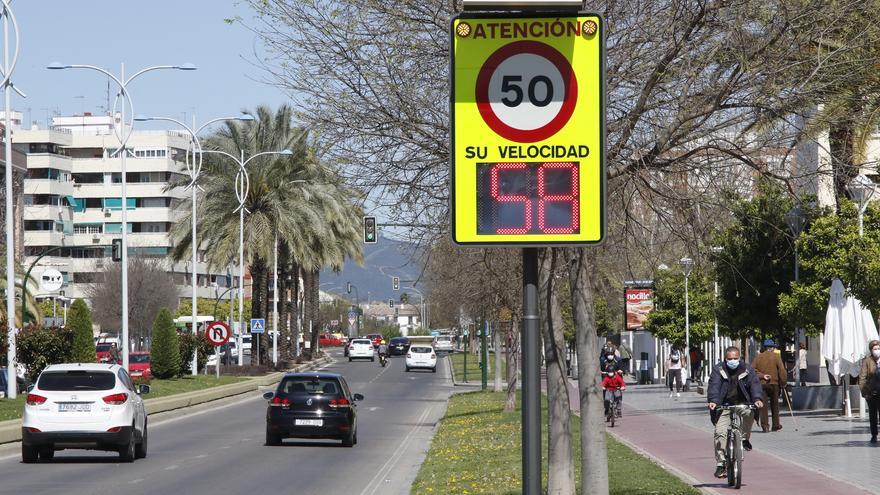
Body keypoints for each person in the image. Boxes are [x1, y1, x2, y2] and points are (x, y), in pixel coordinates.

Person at [707, 346, 764, 479]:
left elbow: (755, 384)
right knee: (720, 433)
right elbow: (714, 385)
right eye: (730, 359)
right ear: (725, 359)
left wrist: (757, 399)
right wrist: (714, 401)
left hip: (743, 403)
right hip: (723, 405)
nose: (732, 361)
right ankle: (721, 464)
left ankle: (744, 439)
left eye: (735, 358)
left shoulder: (747, 369)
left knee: (750, 413)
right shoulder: (718, 369)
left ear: (740, 358)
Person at [752, 339, 787, 432]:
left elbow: (752, 371)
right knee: (775, 405)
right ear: (773, 348)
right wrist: (783, 383)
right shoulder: (776, 357)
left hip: (762, 384)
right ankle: (775, 425)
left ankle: (765, 426)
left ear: (764, 347)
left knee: (763, 406)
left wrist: (762, 376)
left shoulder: (758, 357)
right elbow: (782, 371)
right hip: (774, 384)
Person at [858, 340, 880, 444]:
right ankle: (874, 435)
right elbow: (862, 378)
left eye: (878, 348)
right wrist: (865, 392)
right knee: (873, 415)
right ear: (871, 350)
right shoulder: (867, 361)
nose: (877, 350)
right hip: (872, 393)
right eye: (875, 349)